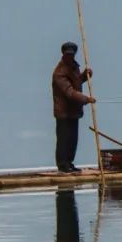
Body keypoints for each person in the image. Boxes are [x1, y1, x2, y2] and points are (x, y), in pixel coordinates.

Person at [52, 40, 94, 172]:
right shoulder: (59, 72)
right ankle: (63, 165)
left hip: (73, 111)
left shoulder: (73, 68)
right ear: (63, 55)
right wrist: (86, 99)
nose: (70, 56)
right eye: (68, 54)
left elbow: (76, 82)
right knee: (64, 139)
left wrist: (84, 76)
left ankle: (69, 163)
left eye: (72, 54)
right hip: (64, 112)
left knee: (73, 139)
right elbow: (69, 92)